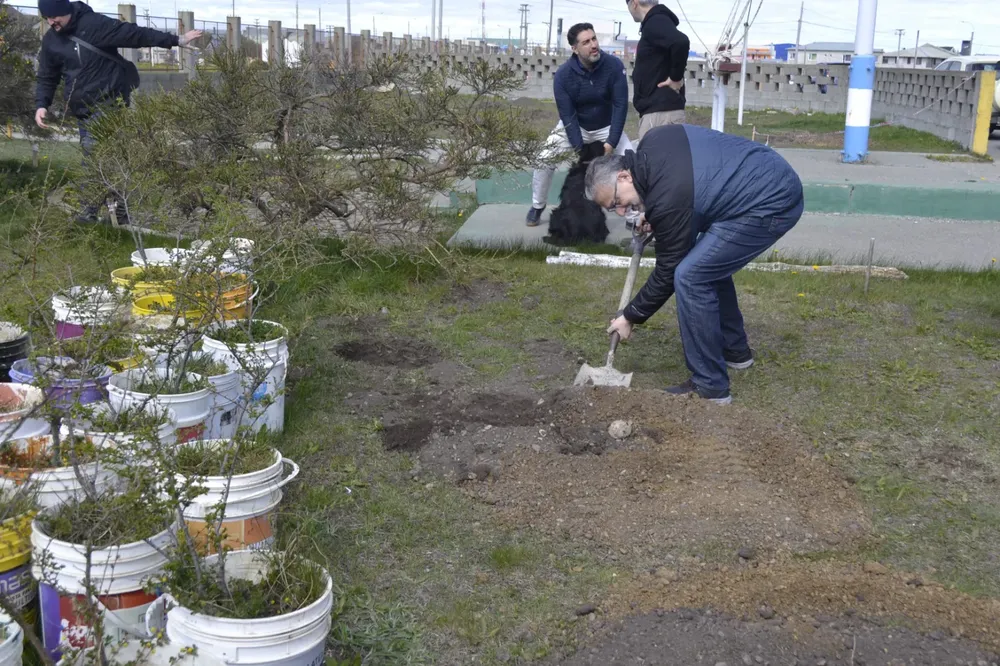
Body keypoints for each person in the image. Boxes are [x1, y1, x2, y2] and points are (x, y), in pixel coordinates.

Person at [584, 124, 804, 405]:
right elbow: (680, 189)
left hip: (771, 202)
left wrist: (630, 316)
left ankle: (711, 387)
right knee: (706, 262)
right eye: (613, 208)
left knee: (691, 276)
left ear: (625, 175)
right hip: (766, 173)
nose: (620, 211)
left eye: (617, 201)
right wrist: (652, 210)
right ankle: (734, 350)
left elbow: (668, 270)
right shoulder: (654, 142)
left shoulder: (670, 200)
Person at [34, 0, 202, 223]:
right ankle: (121, 214)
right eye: (46, 18)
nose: (51, 22)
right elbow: (47, 75)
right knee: (108, 158)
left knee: (94, 153)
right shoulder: (52, 40)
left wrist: (176, 40)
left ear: (65, 11)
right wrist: (42, 104)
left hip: (108, 101)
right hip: (82, 109)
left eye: (54, 17)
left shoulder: (94, 24)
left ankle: (88, 212)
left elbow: (134, 34)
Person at [526, 22, 632, 227]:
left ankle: (633, 214)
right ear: (575, 49)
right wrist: (580, 149)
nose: (594, 45)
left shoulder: (614, 66)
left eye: (594, 39)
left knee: (632, 159)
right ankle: (537, 206)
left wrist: (611, 142)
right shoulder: (563, 76)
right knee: (543, 159)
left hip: (606, 125)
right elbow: (568, 116)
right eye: (586, 42)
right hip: (577, 126)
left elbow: (620, 106)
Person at [625, 0, 690, 142]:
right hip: (660, 113)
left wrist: (675, 77)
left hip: (660, 115)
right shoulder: (657, 21)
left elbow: (681, 42)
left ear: (634, 3)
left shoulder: (655, 20)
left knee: (653, 157)